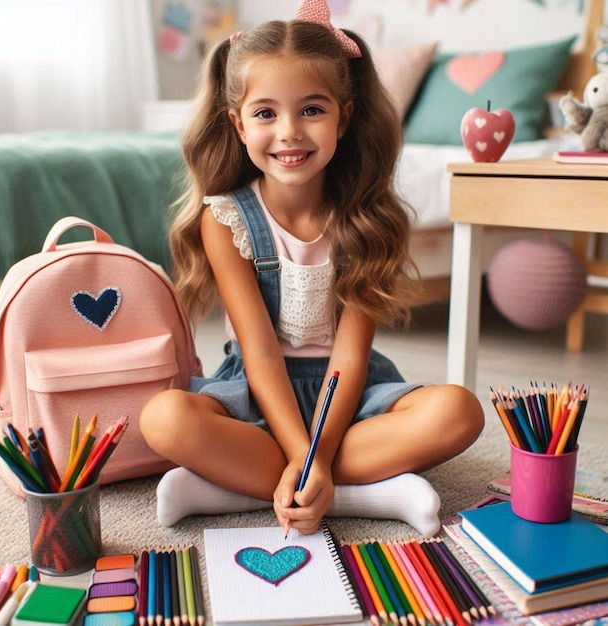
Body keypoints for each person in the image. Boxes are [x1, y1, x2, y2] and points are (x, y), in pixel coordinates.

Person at [139, 0, 484, 538]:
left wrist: (317, 454)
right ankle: (362, 491)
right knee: (164, 418)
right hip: (259, 391)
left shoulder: (370, 218)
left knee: (459, 411)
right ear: (238, 124)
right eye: (266, 113)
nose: (290, 133)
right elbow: (258, 353)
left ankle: (241, 488)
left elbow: (351, 354)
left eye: (312, 110)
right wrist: (305, 453)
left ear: (344, 117)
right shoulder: (225, 219)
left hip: (350, 394)